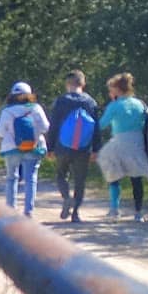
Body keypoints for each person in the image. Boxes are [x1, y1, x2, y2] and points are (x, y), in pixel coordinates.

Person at [96, 73, 148, 222]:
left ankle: (114, 209)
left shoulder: (115, 106)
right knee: (136, 179)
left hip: (119, 142)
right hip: (137, 143)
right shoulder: (140, 104)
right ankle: (138, 213)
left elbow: (101, 125)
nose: (110, 93)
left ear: (117, 89)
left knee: (113, 175)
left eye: (111, 89)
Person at [46, 70, 100, 223]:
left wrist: (50, 147)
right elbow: (96, 128)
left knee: (61, 175)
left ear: (67, 84)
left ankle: (66, 198)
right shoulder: (91, 102)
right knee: (80, 180)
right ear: (83, 83)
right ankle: (76, 213)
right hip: (83, 148)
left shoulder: (61, 101)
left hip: (63, 147)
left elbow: (54, 126)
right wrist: (96, 149)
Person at [0, 81, 50, 216]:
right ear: (29, 95)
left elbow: (0, 132)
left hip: (11, 149)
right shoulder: (36, 108)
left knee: (11, 178)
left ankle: (11, 210)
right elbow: (45, 127)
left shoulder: (7, 111)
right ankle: (28, 211)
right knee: (31, 178)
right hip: (33, 147)